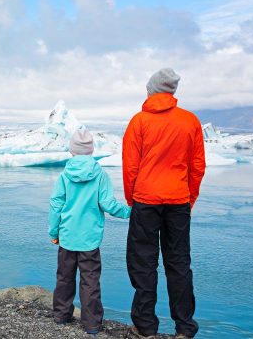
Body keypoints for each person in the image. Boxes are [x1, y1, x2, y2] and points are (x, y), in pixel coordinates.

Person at [123, 68, 206, 339]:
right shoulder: (190, 121)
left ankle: (146, 327)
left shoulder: (139, 122)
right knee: (179, 263)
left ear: (151, 90)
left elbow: (130, 168)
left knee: (143, 262)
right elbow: (197, 167)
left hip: (146, 200)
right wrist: (188, 198)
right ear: (172, 92)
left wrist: (132, 199)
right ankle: (184, 329)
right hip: (178, 200)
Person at [49, 128, 131, 335]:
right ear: (91, 150)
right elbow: (109, 204)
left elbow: (56, 205)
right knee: (90, 281)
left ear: (72, 151)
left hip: (67, 237)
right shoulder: (100, 175)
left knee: (64, 278)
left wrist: (54, 232)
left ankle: (61, 315)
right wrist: (130, 211)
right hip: (90, 240)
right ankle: (92, 324)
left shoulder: (65, 176)